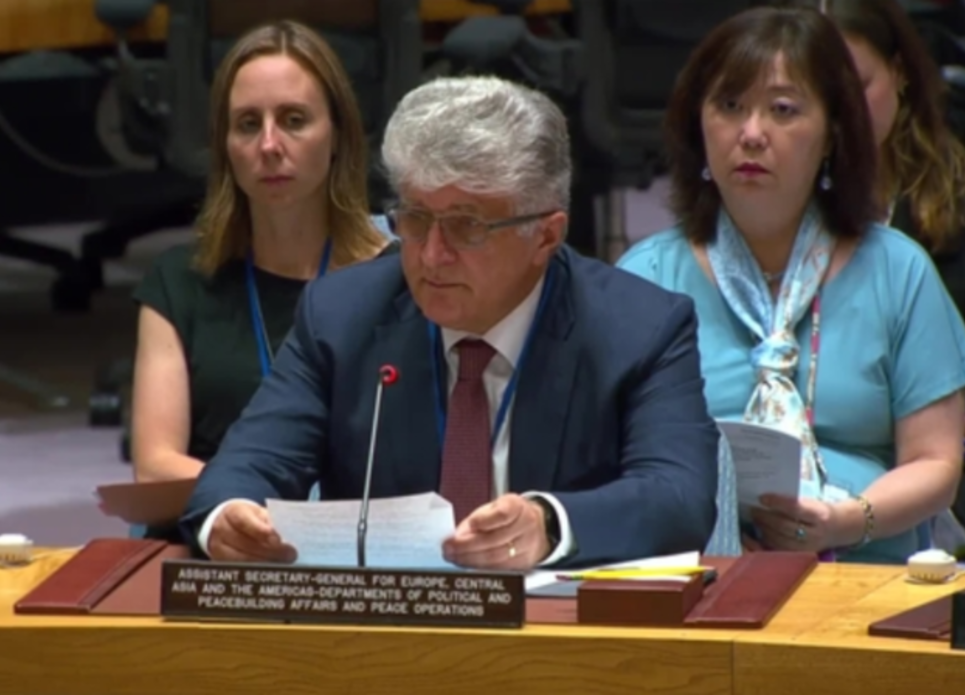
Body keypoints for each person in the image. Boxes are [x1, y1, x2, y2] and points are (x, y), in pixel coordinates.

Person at [178, 75, 721, 570]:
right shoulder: (341, 317)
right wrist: (229, 518)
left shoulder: (639, 329)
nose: (432, 255)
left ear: (546, 236)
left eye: (467, 226)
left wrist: (549, 524)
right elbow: (242, 469)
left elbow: (679, 498)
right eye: (416, 219)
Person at [617, 6, 965, 564]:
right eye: (730, 106)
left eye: (783, 110)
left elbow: (936, 463)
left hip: (866, 570)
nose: (751, 134)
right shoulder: (647, 277)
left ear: (831, 134)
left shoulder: (898, 270)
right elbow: (614, 459)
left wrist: (846, 521)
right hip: (697, 574)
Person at [130, 21, 394, 499]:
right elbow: (155, 467)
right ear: (225, 146)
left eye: (294, 120)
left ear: (337, 135)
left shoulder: (397, 277)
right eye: (248, 124)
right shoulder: (180, 281)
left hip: (357, 535)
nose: (269, 145)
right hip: (222, 527)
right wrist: (254, 505)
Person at [774, 0, 965, 317]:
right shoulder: (761, 201)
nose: (840, 110)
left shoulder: (956, 190)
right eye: (813, 92)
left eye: (858, 86)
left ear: (899, 71)